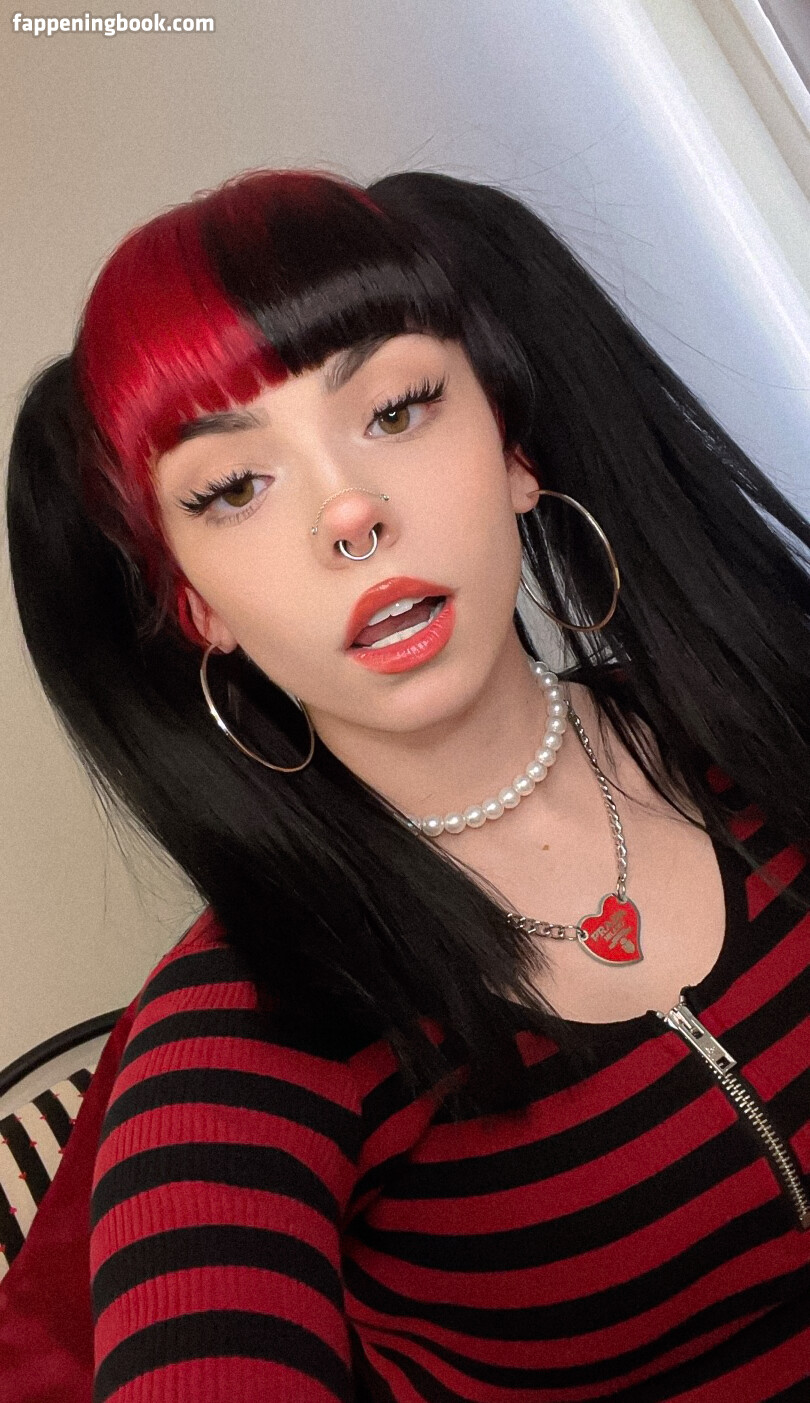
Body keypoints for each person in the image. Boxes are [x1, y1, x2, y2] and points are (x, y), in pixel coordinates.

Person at [3, 165, 810, 1402]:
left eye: (394, 410)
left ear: (514, 450)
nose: (349, 513)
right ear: (197, 604)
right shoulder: (242, 1036)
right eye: (233, 488)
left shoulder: (760, 720)